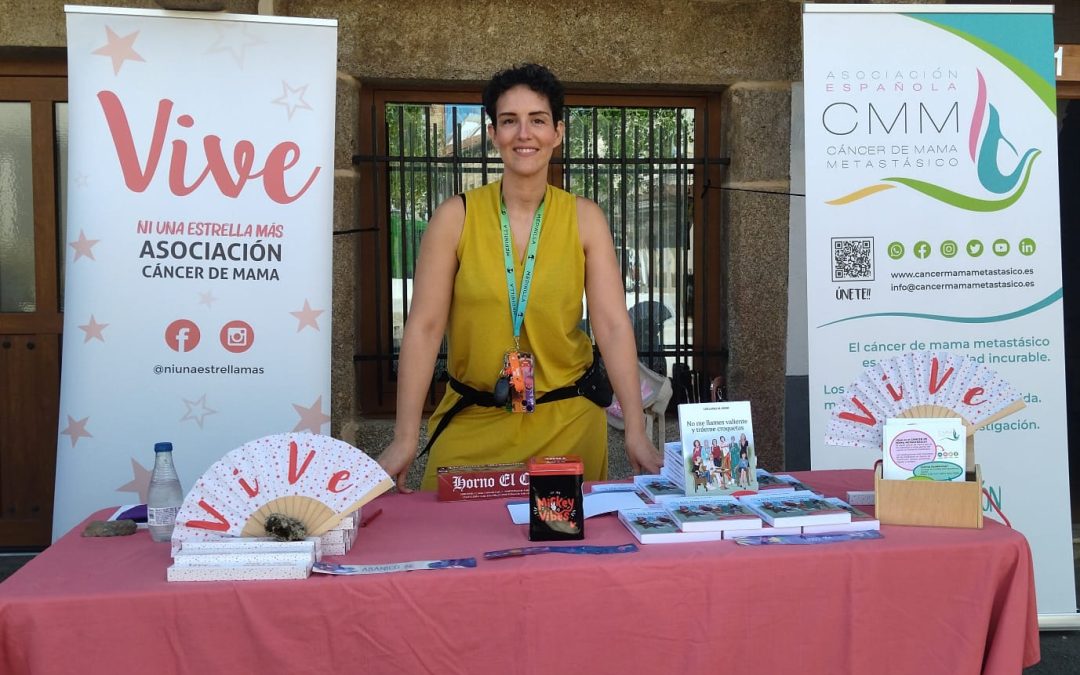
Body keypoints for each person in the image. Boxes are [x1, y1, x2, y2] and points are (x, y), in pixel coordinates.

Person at [377, 63, 662, 492]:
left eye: (538, 120)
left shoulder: (584, 219)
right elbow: (424, 328)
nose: (523, 133)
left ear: (558, 133)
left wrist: (636, 430)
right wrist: (404, 438)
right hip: (474, 417)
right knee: (460, 552)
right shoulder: (456, 217)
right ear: (494, 134)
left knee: (563, 553)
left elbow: (613, 326)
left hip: (567, 423)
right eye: (510, 121)